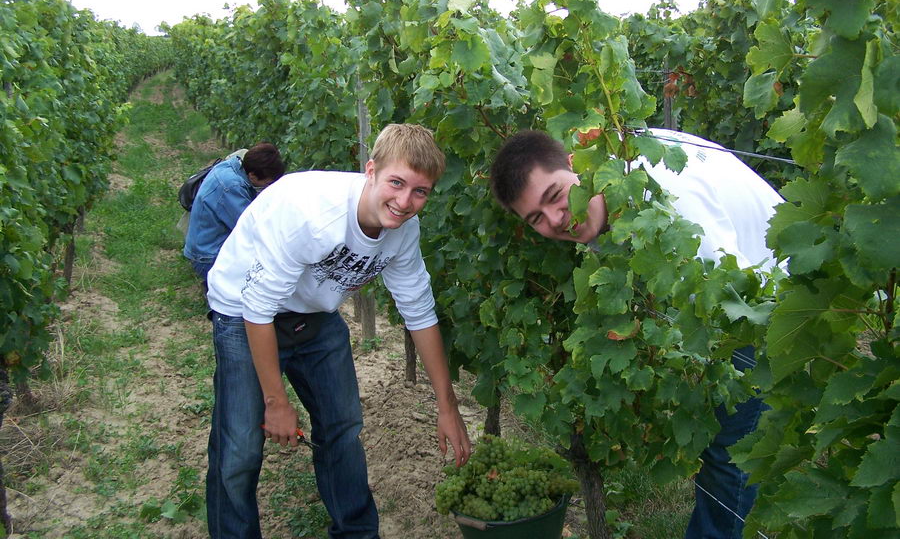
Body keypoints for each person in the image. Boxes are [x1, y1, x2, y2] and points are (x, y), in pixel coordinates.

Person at [489, 127, 784, 539]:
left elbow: (728, 296)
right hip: (732, 288)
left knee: (731, 455)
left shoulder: (668, 200)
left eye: (554, 196)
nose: (556, 219)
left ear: (577, 163)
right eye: (536, 218)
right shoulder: (608, 178)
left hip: (763, 299)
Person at [204, 123, 471, 539]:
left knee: (343, 427)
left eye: (420, 192)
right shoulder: (311, 214)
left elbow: (419, 312)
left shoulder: (402, 233)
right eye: (396, 183)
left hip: (314, 314)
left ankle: (357, 533)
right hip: (244, 310)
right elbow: (257, 308)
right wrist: (275, 402)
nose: (404, 202)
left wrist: (447, 406)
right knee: (240, 447)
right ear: (371, 170)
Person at [183, 143, 285, 284]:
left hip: (208, 245)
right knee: (260, 281)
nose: (268, 188)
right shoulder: (232, 187)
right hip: (208, 257)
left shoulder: (233, 165)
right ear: (252, 175)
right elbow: (250, 228)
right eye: (267, 184)